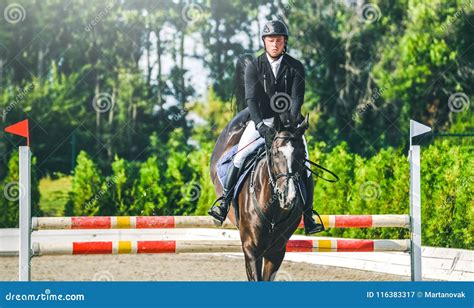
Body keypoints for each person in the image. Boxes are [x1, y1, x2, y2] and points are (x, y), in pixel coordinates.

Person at [208, 20, 324, 235]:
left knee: (305, 164)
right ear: (264, 42)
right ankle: (223, 203)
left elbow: (297, 98)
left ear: (284, 42)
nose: (275, 44)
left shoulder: (295, 66)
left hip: (289, 122)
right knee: (240, 156)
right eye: (271, 40)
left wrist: (289, 125)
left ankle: (308, 216)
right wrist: (261, 125)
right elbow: (251, 100)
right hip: (261, 121)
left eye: (278, 40)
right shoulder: (254, 66)